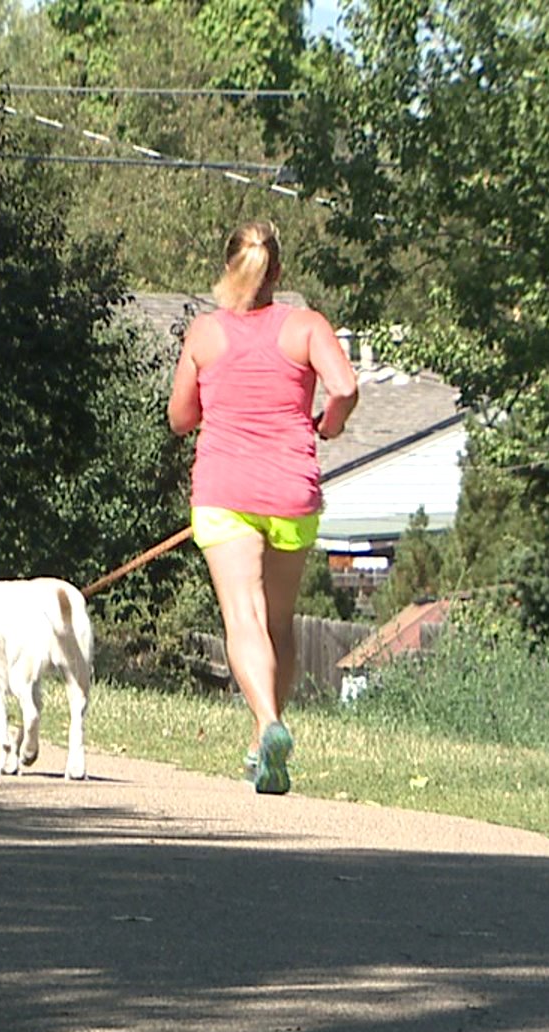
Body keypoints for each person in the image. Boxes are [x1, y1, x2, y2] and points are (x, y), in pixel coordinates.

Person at [167, 221, 358, 794]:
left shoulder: (205, 334)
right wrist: (328, 424)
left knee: (243, 619)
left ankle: (269, 724)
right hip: (290, 491)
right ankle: (260, 744)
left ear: (232, 269)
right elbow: (344, 386)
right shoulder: (305, 326)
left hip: (225, 491)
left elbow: (180, 419)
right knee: (277, 622)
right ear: (278, 271)